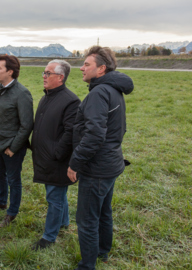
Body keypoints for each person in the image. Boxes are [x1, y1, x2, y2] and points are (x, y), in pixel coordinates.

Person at [67, 46, 134, 270]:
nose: (81, 68)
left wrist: (75, 163)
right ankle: (103, 252)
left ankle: (87, 265)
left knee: (87, 219)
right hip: (110, 163)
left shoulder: (98, 93)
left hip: (97, 168)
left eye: (87, 64)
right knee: (104, 211)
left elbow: (95, 134)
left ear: (101, 68)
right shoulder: (113, 90)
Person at [30, 60, 80, 250]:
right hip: (45, 157)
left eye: (48, 73)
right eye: (44, 72)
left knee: (54, 197)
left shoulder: (71, 101)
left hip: (56, 159)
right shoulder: (47, 96)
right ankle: (64, 222)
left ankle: (48, 238)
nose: (44, 76)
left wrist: (56, 153)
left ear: (60, 77)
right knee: (58, 192)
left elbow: (71, 132)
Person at [0, 55, 33, 227]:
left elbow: (26, 125)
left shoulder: (22, 93)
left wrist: (13, 147)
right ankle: (1, 201)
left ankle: (12, 212)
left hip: (12, 147)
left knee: (13, 179)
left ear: (10, 72)